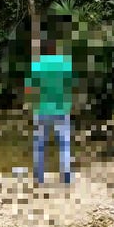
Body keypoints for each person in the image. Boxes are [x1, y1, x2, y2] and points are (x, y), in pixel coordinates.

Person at [25, 32, 74, 186]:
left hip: (41, 109)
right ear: (55, 49)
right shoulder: (65, 64)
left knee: (39, 144)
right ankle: (66, 177)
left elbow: (29, 89)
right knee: (64, 143)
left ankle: (39, 178)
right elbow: (70, 87)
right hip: (61, 108)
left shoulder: (37, 65)